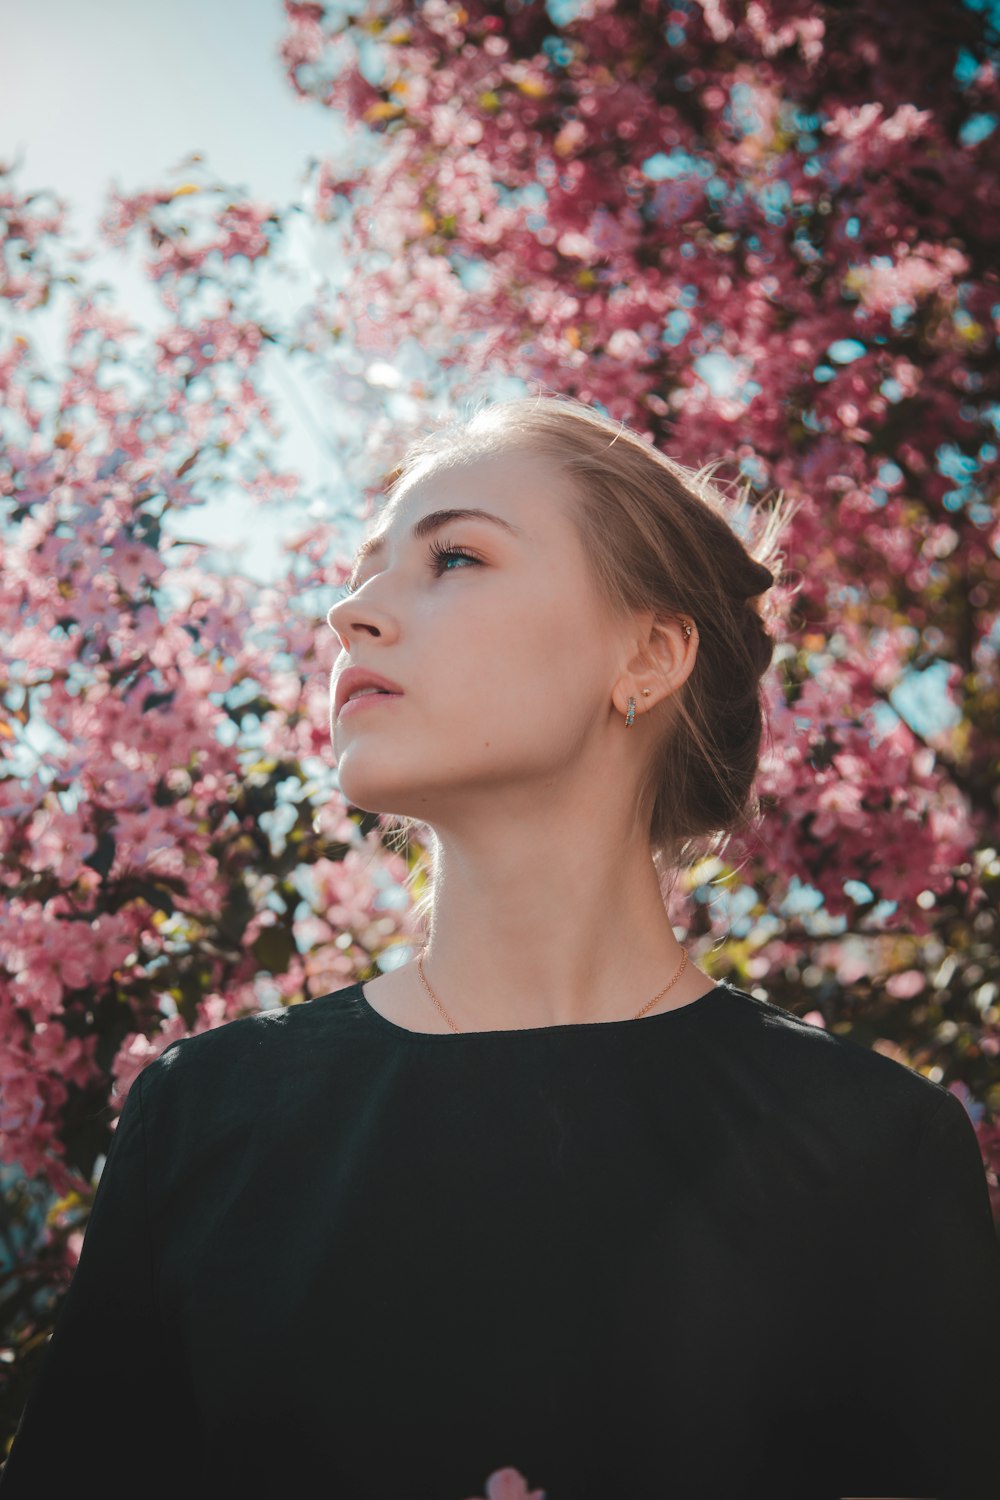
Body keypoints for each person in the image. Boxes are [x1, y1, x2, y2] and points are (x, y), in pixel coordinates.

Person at [3, 394, 999, 1500]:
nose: (350, 614)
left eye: (456, 557)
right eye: (364, 569)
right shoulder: (206, 1114)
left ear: (651, 653)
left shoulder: (873, 1149)